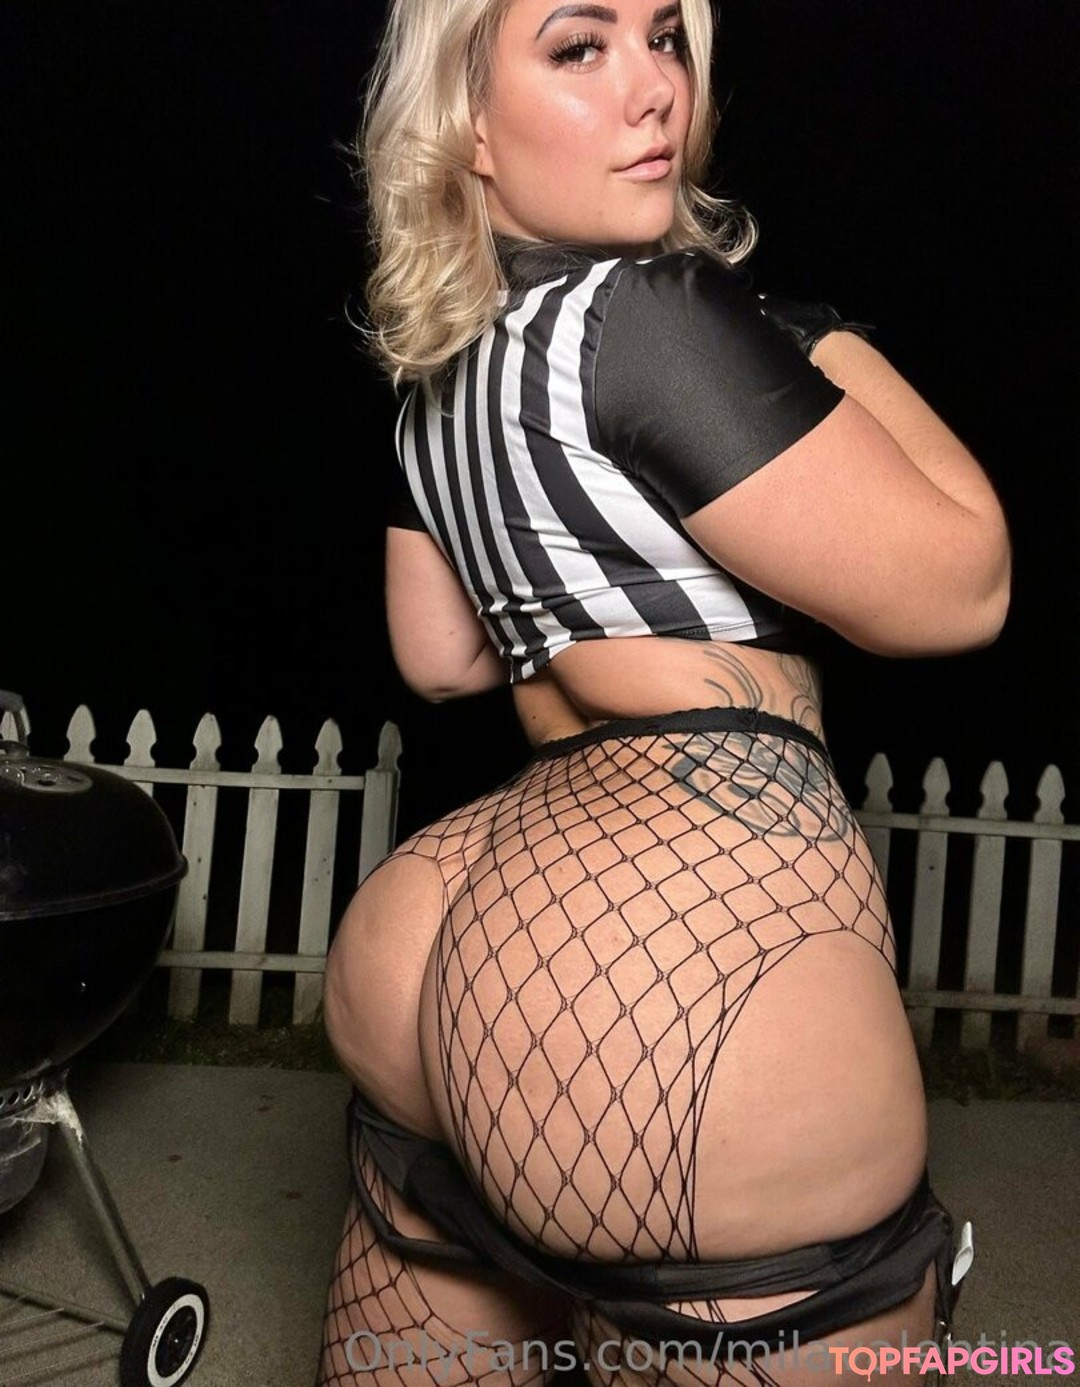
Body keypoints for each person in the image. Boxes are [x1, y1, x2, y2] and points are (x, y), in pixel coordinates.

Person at [318, 0, 1010, 1382]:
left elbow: (442, 657)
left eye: (668, 41)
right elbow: (965, 582)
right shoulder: (647, 312)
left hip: (443, 928)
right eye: (580, 48)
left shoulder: (439, 382)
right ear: (466, 124)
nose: (654, 92)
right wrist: (814, 342)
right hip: (669, 952)